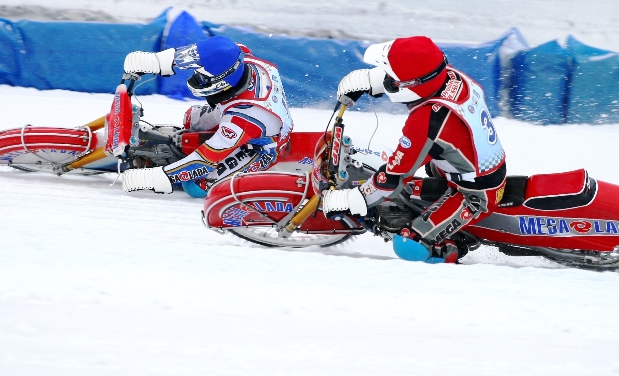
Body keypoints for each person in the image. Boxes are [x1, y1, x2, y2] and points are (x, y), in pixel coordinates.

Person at [322, 36, 506, 264]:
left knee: (408, 245)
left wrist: (354, 198)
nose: (389, 80)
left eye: (392, 78)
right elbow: (417, 78)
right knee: (425, 168)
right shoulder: (450, 76)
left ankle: (451, 246)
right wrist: (370, 80)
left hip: (475, 193)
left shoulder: (426, 121)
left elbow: (392, 178)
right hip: (469, 162)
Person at [120, 35, 293, 198]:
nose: (197, 77)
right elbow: (208, 53)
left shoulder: (244, 119)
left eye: (202, 77)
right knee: (191, 117)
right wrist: (157, 62)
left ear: (223, 82)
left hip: (262, 149)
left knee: (196, 185)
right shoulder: (239, 56)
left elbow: (205, 160)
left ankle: (170, 167)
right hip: (238, 108)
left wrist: (155, 179)